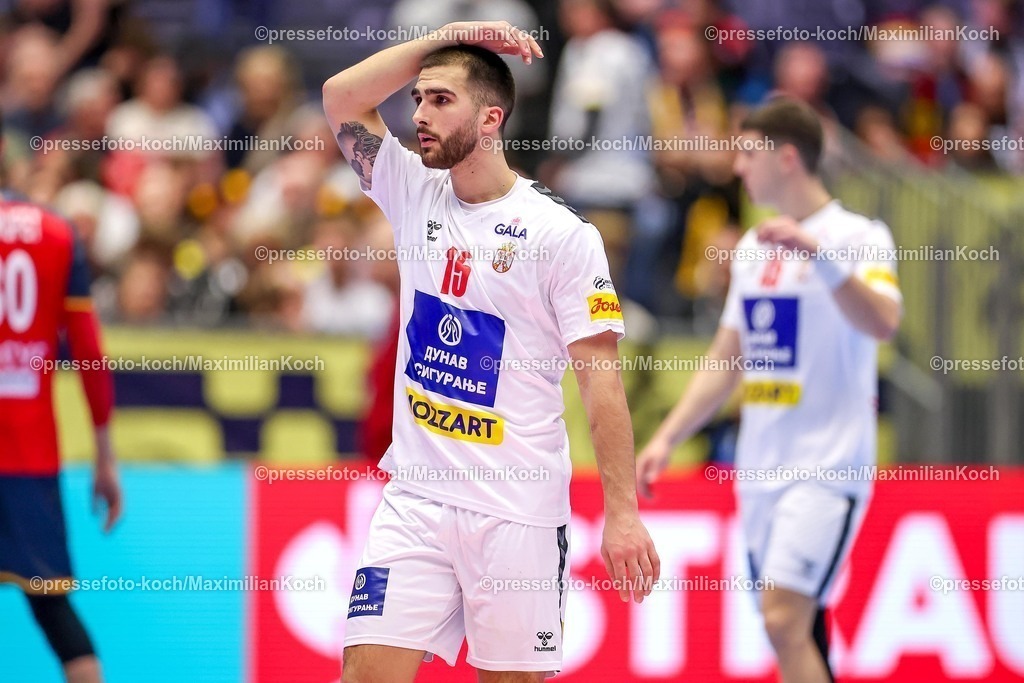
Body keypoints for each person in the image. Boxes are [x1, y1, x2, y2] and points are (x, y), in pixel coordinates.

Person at [323, 20, 660, 683]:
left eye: (441, 100)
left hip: (517, 509)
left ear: (491, 118)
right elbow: (339, 98)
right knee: (362, 672)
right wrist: (443, 38)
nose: (418, 114)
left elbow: (601, 384)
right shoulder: (410, 187)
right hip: (416, 497)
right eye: (418, 98)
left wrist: (622, 514)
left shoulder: (560, 235)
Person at [636, 97, 902, 683]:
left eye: (748, 153)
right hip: (761, 470)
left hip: (827, 469)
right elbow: (728, 357)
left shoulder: (858, 235)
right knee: (791, 629)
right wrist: (667, 436)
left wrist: (821, 259)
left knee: (785, 618)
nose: (737, 167)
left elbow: (883, 321)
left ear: (786, 158)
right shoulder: (755, 248)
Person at [0, 115, 122, 683]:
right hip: (29, 452)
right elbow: (90, 356)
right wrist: (104, 454)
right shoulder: (57, 231)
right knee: (50, 601)